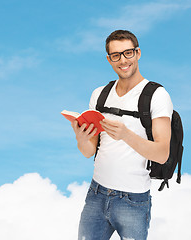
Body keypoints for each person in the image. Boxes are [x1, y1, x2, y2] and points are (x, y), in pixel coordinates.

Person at [71, 30, 173, 240]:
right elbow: (88, 151)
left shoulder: (157, 96)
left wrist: (126, 135)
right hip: (96, 195)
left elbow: (162, 154)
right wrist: (81, 139)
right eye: (116, 55)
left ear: (138, 53)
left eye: (128, 53)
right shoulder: (99, 95)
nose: (123, 60)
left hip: (133, 200)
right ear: (109, 59)